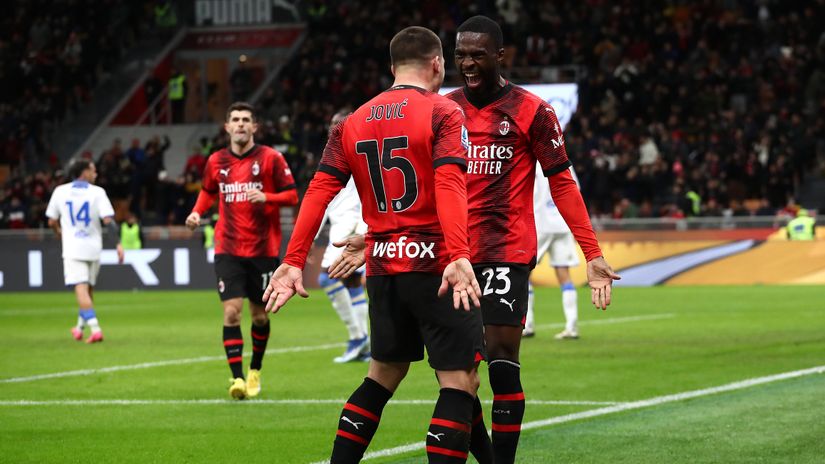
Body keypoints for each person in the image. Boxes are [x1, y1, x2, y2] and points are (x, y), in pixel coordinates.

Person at [264, 26, 486, 463]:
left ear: (392, 68)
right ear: (438, 64)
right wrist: (459, 254)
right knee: (460, 383)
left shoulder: (352, 121)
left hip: (382, 268)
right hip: (436, 266)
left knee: (381, 375)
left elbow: (318, 192)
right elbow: (448, 183)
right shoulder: (443, 112)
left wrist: (293, 262)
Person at [446, 16, 620, 463]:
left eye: (477, 54)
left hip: (505, 249)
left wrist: (592, 253)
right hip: (453, 254)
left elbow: (562, 182)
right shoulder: (444, 110)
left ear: (500, 56)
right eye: (460, 53)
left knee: (502, 359)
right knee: (459, 376)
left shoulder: (532, 110)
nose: (467, 62)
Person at [185, 102, 299, 400]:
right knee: (232, 312)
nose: (240, 124)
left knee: (259, 316)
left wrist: (267, 196)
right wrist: (197, 213)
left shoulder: (271, 158)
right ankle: (236, 379)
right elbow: (209, 191)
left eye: (246, 120)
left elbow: (292, 195)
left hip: (263, 249)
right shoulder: (216, 161)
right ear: (227, 127)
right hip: (228, 247)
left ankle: (255, 370)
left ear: (254, 127)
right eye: (235, 119)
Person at [45, 158, 125, 344]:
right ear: (84, 172)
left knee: (80, 289)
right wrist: (118, 244)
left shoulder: (60, 191)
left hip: (73, 248)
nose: (95, 174)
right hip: (94, 247)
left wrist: (58, 232)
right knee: (88, 289)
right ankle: (80, 328)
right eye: (93, 170)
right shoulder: (98, 192)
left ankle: (96, 329)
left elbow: (51, 221)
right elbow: (109, 221)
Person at [317, 110, 371, 364]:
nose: (334, 130)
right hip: (339, 231)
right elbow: (324, 202)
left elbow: (367, 197)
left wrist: (362, 232)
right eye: (332, 125)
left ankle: (358, 337)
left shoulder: (359, 156)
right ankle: (362, 342)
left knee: (327, 279)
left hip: (350, 234)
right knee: (350, 284)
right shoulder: (333, 158)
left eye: (339, 125)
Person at [523, 164, 582, 339]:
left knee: (523, 272)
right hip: (562, 224)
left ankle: (527, 325)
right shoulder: (565, 163)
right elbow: (574, 190)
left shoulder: (534, 161)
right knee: (564, 273)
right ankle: (572, 327)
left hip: (540, 224)